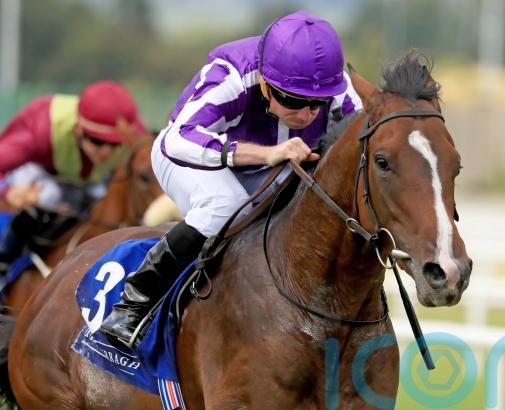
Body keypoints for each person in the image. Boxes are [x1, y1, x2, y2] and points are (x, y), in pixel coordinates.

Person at [99, 10, 363, 348]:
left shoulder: (336, 87)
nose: (306, 114)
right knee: (227, 204)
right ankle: (135, 302)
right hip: (190, 157)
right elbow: (179, 138)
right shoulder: (233, 76)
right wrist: (265, 154)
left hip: (274, 165)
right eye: (293, 100)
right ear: (265, 81)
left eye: (317, 105)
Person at [0, 80, 146, 279]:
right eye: (97, 141)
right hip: (42, 172)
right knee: (49, 196)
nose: (106, 152)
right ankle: (6, 260)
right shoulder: (43, 128)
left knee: (108, 201)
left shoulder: (135, 134)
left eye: (115, 144)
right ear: (79, 130)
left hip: (89, 182)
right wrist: (8, 191)